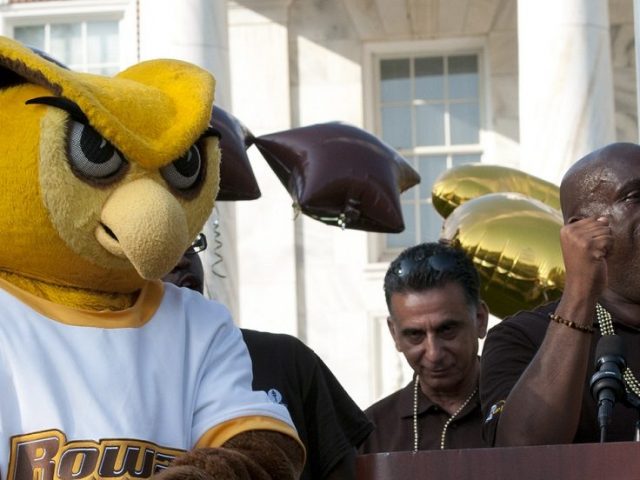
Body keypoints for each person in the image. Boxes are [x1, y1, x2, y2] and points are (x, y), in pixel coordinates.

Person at [164, 236, 374, 479]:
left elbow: (344, 467)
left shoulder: (286, 357)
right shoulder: (116, 376)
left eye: (188, 244)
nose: (181, 260)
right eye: (156, 251)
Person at [480, 142, 640, 446]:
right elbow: (524, 451)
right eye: (635, 196)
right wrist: (580, 293)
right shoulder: (521, 337)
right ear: (581, 230)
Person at [359, 241, 489, 453]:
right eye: (415, 335)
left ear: (480, 320)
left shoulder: (526, 412)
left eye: (447, 330)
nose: (434, 353)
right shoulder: (370, 435)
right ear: (394, 334)